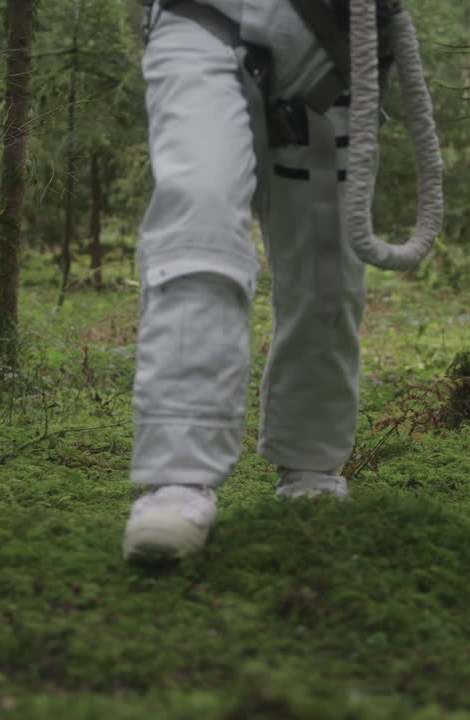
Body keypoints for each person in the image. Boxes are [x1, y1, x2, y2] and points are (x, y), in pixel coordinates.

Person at [123, 0, 420, 563]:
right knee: (199, 214)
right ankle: (179, 480)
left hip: (333, 36)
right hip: (201, 17)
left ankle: (311, 466)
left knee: (326, 266)